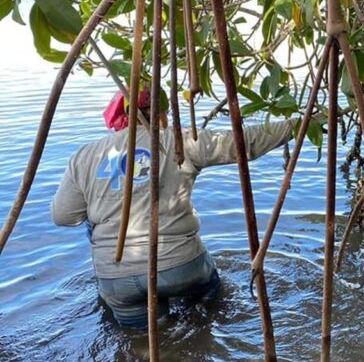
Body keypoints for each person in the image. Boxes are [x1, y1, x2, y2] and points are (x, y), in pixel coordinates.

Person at [51, 89, 297, 328]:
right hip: (182, 267)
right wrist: (299, 124)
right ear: (163, 114)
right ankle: (205, 335)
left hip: (116, 279)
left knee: (141, 345)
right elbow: (244, 142)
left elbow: (63, 216)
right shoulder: (179, 140)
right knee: (209, 311)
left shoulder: (84, 156)